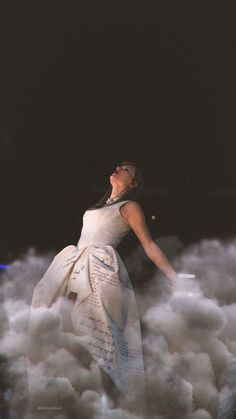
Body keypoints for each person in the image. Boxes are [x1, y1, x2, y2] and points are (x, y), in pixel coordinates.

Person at [27, 160, 178, 416]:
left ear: (134, 184)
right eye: (119, 166)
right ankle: (73, 400)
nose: (119, 168)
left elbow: (149, 245)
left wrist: (173, 276)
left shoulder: (130, 207)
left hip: (99, 270)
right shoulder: (100, 206)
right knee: (65, 329)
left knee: (101, 339)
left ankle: (112, 405)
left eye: (126, 169)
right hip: (73, 265)